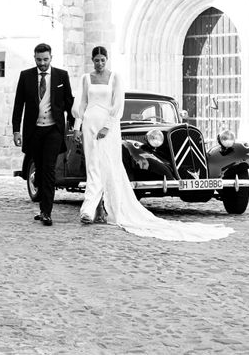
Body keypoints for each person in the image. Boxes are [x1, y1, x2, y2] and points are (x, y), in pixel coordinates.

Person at [72, 46, 233, 242]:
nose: (99, 63)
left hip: (108, 125)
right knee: (93, 165)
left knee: (108, 166)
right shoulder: (86, 78)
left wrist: (107, 126)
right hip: (89, 123)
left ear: (107, 60)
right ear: (92, 60)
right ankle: (91, 209)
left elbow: (117, 105)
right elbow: (80, 104)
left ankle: (98, 208)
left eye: (102, 60)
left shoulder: (115, 78)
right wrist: (77, 126)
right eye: (96, 60)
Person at [12, 43, 75, 227]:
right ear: (34, 58)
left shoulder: (62, 76)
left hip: (53, 130)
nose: (42, 63)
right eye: (39, 60)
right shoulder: (25, 76)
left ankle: (46, 212)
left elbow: (69, 102)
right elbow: (18, 105)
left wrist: (75, 126)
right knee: (39, 170)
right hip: (34, 130)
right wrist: (16, 130)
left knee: (48, 169)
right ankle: (42, 205)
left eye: (45, 59)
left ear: (51, 58)